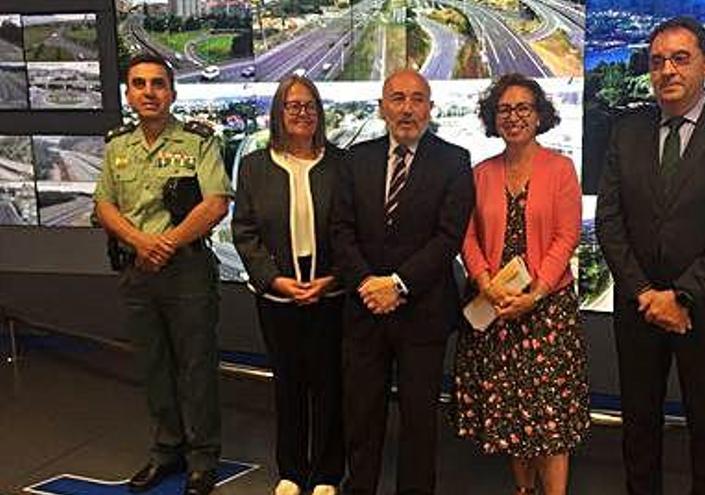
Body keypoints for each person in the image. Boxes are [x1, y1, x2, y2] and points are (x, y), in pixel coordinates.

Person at [595, 17, 705, 495]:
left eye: (680, 58)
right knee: (639, 435)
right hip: (638, 311)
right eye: (657, 61)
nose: (667, 70)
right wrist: (647, 294)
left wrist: (683, 295)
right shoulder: (625, 131)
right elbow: (609, 223)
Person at [331, 69, 475, 495]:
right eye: (397, 98)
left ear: (430, 108)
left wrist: (396, 284)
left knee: (418, 422)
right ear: (381, 108)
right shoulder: (355, 159)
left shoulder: (454, 161)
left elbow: (448, 238)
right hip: (364, 311)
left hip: (423, 313)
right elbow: (340, 231)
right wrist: (368, 285)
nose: (407, 108)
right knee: (361, 416)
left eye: (417, 99)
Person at [93, 53, 233, 495]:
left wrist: (164, 244)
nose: (149, 92)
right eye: (139, 84)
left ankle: (202, 458)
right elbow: (104, 206)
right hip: (138, 271)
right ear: (129, 93)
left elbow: (215, 203)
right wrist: (140, 243)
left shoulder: (198, 141)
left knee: (196, 367)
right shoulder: (118, 146)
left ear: (172, 93)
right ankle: (166, 449)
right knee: (153, 365)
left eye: (158, 84)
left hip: (187, 269)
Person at [454, 73, 589, 495]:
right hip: (496, 308)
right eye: (504, 109)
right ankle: (524, 491)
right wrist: (485, 283)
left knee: (550, 417)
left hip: (547, 314)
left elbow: (567, 235)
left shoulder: (561, 168)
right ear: (494, 118)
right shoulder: (480, 174)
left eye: (523, 108)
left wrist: (537, 293)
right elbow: (466, 235)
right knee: (513, 414)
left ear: (539, 115)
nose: (514, 117)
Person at [232, 76, 345, 495]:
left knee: (330, 386)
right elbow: (244, 231)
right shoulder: (254, 167)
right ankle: (292, 472)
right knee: (289, 384)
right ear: (278, 113)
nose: (302, 113)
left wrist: (333, 278)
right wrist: (274, 279)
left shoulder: (340, 163)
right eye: (293, 105)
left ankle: (328, 474)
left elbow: (352, 231)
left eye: (310, 105)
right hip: (277, 295)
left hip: (330, 292)